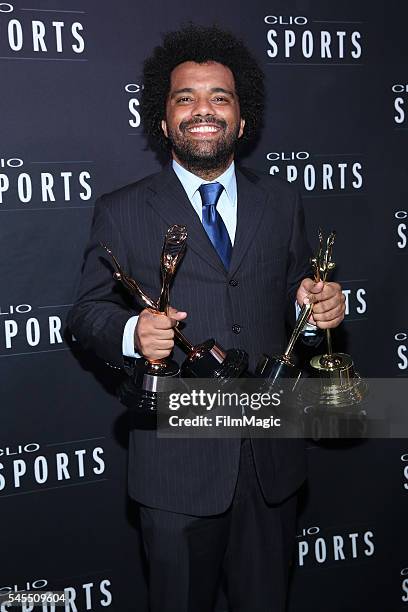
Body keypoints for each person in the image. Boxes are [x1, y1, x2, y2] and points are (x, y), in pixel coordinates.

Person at [68, 24, 345, 612]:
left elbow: (297, 296)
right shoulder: (122, 211)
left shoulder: (282, 202)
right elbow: (85, 314)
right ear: (163, 120)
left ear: (242, 120)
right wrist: (129, 332)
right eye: (185, 98)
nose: (203, 110)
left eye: (220, 97)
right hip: (177, 472)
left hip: (272, 464)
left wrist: (318, 307)